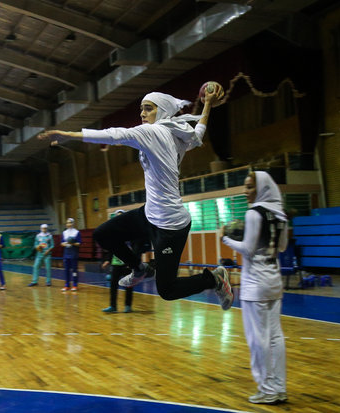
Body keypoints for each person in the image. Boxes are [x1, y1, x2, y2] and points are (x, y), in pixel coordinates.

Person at [38, 86, 233, 309]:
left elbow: (115, 134)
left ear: (162, 112)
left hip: (170, 225)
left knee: (167, 291)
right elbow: (198, 133)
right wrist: (207, 104)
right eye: (141, 109)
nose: (142, 114)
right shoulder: (174, 134)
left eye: (147, 109)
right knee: (103, 234)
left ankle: (215, 279)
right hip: (149, 214)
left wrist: (70, 135)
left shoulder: (153, 132)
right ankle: (139, 268)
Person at [222, 171, 289, 404]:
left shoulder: (253, 213)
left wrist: (226, 239)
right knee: (275, 337)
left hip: (255, 284)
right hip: (274, 281)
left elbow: (248, 249)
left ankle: (267, 389)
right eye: (245, 187)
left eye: (250, 187)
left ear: (261, 188)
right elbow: (281, 247)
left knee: (257, 338)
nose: (245, 191)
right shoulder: (281, 215)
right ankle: (279, 387)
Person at [101, 210, 135, 313]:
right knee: (113, 285)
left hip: (127, 263)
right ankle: (113, 306)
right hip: (116, 263)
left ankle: (128, 306)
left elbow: (136, 247)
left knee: (128, 285)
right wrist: (107, 260)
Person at [61, 218, 81, 291]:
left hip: (73, 253)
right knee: (66, 270)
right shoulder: (64, 233)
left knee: (74, 270)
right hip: (66, 253)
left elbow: (79, 243)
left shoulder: (76, 232)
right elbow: (62, 243)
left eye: (70, 223)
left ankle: (75, 285)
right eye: (67, 223)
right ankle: (67, 285)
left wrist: (72, 243)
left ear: (73, 223)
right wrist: (65, 243)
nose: (69, 224)